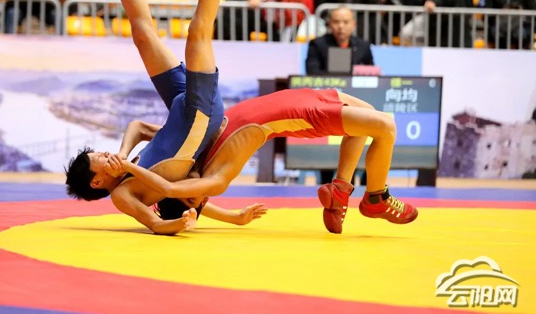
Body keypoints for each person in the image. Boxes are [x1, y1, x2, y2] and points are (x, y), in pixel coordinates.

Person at [64, 0, 231, 235]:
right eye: (98, 158)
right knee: (198, 32)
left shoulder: (130, 165)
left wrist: (124, 155)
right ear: (97, 181)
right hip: (200, 113)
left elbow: (139, 126)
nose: (105, 154)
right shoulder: (124, 194)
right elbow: (155, 223)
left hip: (181, 110)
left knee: (142, 36)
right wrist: (180, 222)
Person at [107, 85, 419, 235]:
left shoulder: (191, 156)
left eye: (191, 193)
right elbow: (173, 192)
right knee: (385, 126)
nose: (195, 189)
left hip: (299, 97)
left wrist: (124, 160)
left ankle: (340, 189)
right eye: (196, 197)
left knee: (369, 114)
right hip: (299, 112)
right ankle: (376, 197)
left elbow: (145, 136)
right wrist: (128, 169)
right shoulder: (215, 180)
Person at [305, 7, 374, 75]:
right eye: (336, 22)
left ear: (354, 25)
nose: (341, 26)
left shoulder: (363, 46)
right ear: (329, 24)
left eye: (346, 22)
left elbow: (372, 73)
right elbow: (312, 72)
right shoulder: (317, 45)